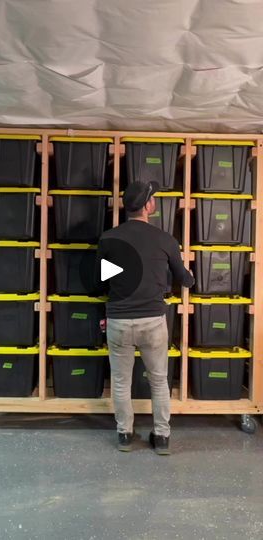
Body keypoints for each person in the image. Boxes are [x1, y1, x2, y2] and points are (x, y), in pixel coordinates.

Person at [95, 181, 194, 454]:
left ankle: (125, 435)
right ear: (148, 205)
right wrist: (189, 277)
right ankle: (161, 437)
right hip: (153, 321)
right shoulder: (165, 239)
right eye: (154, 199)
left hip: (119, 321)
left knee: (120, 382)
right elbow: (183, 278)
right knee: (159, 381)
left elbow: (100, 282)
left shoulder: (108, 238)